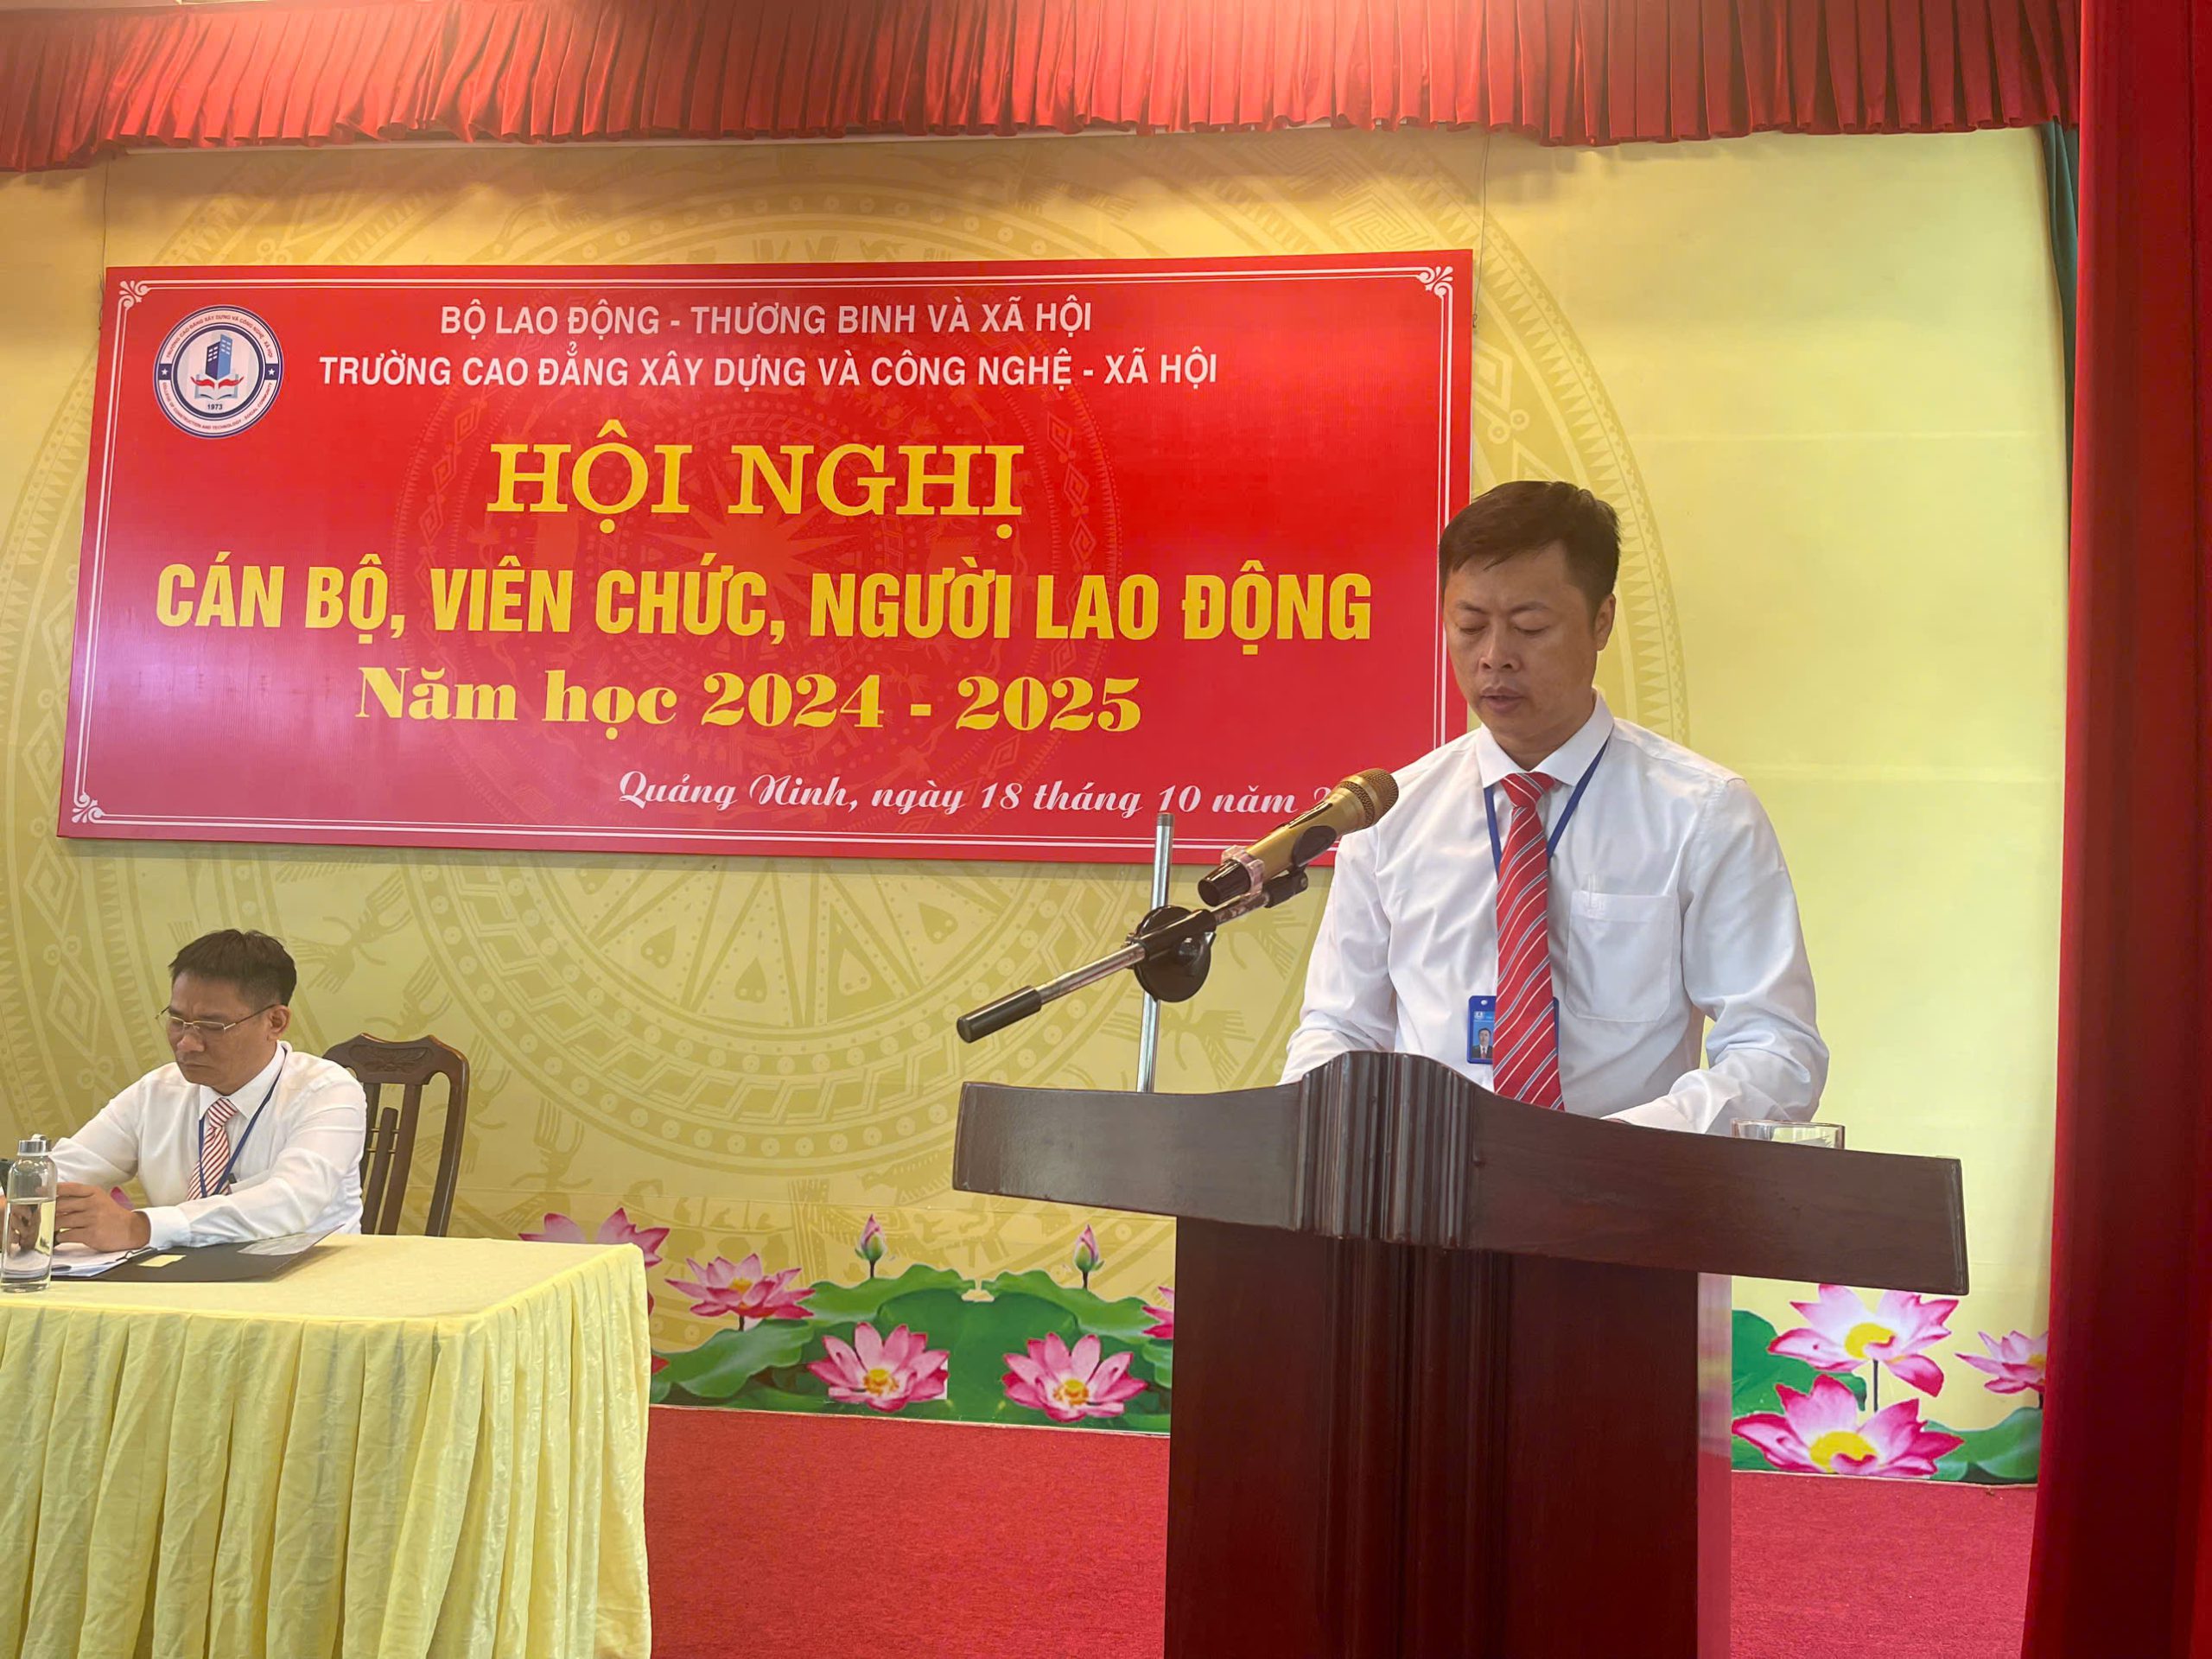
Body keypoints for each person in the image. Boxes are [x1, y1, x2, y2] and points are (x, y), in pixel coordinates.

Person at [1281, 480, 1827, 1133]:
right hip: (1424, 1187)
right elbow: (1340, 1028)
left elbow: (1776, 1050)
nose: (1494, 658)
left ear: (1602, 622)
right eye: (1469, 626)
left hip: (1626, 1183)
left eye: (1530, 627)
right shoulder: (1391, 816)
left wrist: (1610, 1154)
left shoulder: (1703, 814)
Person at [52, 929, 367, 1249]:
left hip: (309, 1273)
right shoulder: (156, 1091)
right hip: (178, 1274)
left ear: (275, 1022)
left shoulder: (327, 1091)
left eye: (213, 1026)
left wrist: (141, 1228)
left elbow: (292, 1200)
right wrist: (27, 1205)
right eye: (177, 1022)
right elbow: (65, 1170)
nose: (187, 1043)